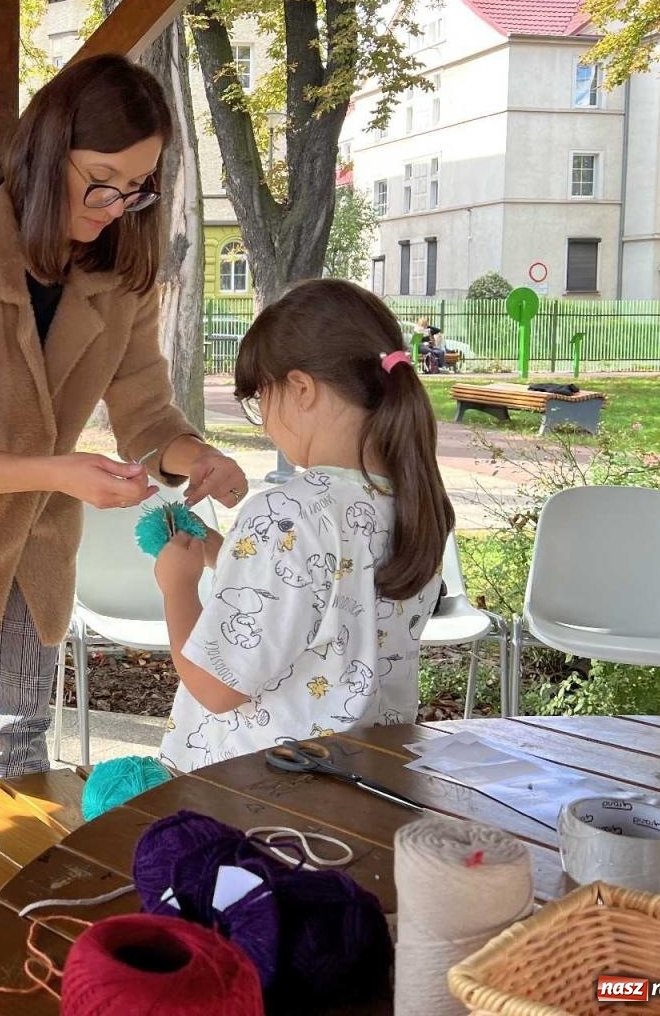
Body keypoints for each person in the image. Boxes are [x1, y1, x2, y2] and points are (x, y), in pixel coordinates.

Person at [0, 54, 250, 798]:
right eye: (101, 178)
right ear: (46, 151)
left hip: (34, 542)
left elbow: (145, 409)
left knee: (22, 741)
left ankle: (14, 911)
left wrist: (194, 455)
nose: (114, 203)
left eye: (136, 188)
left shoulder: (121, 265)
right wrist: (59, 471)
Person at [153, 279, 454, 767]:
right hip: (361, 786)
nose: (264, 420)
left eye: (259, 400)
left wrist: (177, 587)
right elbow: (325, 593)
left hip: (256, 796)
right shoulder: (411, 502)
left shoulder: (285, 512)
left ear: (300, 389)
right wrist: (220, 551)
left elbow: (215, 687)